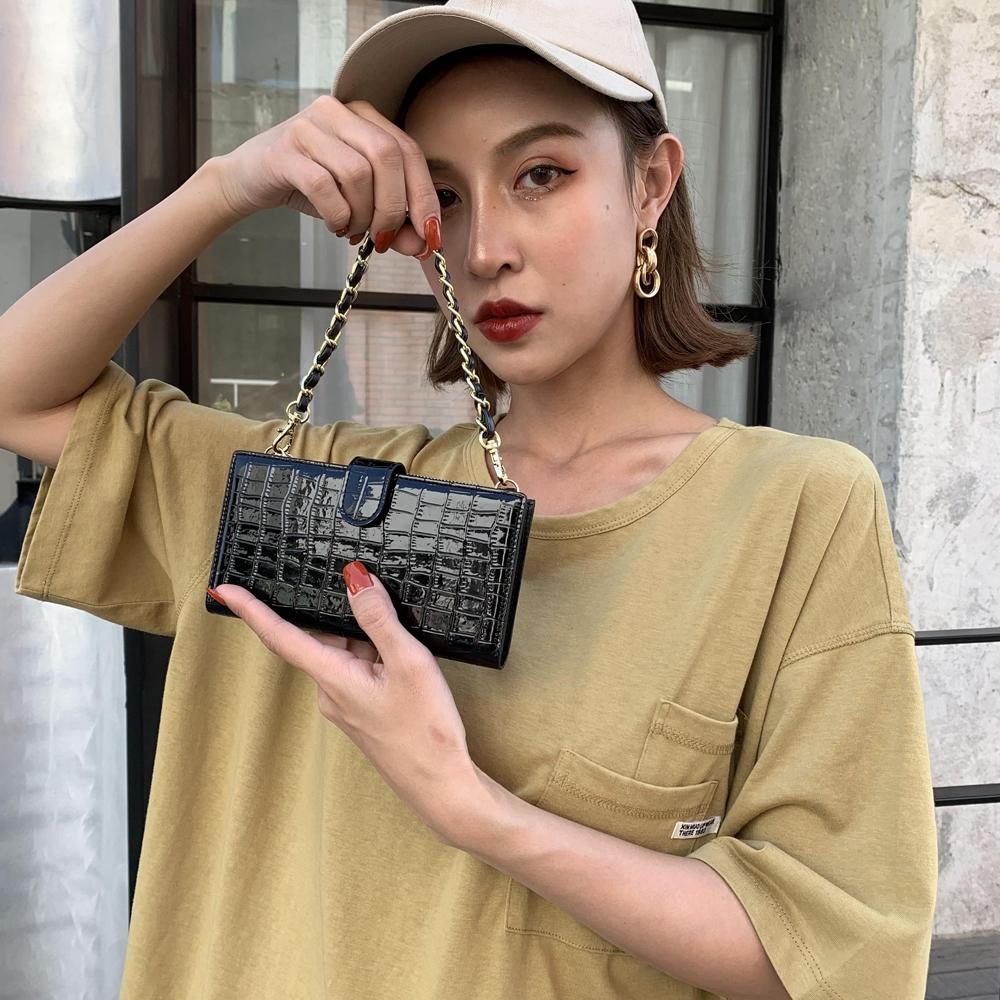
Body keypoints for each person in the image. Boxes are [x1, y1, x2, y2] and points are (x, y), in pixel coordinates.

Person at [1, 1, 937, 998]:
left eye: (541, 174)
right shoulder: (320, 497)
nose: (486, 246)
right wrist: (226, 184)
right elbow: (20, 394)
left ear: (651, 184)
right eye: (444, 195)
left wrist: (470, 806)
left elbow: (836, 955)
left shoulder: (790, 510)